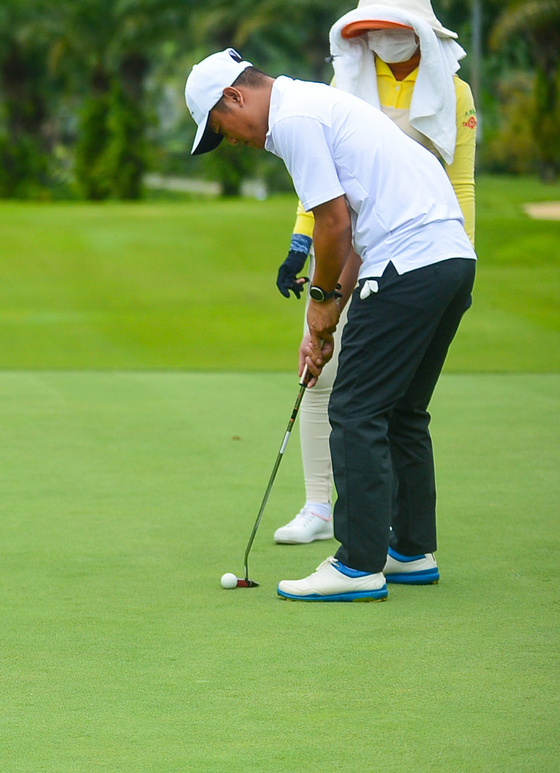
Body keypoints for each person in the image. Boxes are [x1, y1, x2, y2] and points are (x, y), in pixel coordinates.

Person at [186, 48, 475, 602]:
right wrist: (323, 320)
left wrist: (319, 303)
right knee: (402, 411)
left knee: (355, 409)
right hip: (449, 261)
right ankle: (410, 552)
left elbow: (333, 222)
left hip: (408, 263)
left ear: (235, 96)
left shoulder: (293, 120)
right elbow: (357, 234)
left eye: (223, 128)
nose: (235, 142)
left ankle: (357, 564)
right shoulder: (317, 103)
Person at [269, 0, 477, 548]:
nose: (379, 36)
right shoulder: (348, 80)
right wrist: (300, 244)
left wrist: (462, 255)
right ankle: (320, 505)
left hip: (414, 253)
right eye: (370, 26)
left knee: (379, 402)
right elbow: (323, 188)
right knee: (320, 375)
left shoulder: (452, 92)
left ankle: (374, 539)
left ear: (416, 27)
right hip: (346, 251)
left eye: (390, 24)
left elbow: (460, 184)